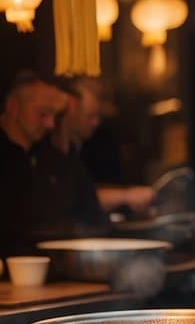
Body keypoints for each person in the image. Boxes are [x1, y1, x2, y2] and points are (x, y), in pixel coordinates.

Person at [0, 72, 107, 256]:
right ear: (13, 107)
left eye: (55, 116)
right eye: (43, 114)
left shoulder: (46, 157)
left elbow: (84, 208)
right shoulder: (10, 159)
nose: (50, 124)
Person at [50, 78, 155, 215]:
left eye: (98, 116)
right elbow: (74, 197)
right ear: (71, 110)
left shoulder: (102, 142)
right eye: (90, 116)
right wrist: (126, 195)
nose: (96, 123)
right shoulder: (51, 147)